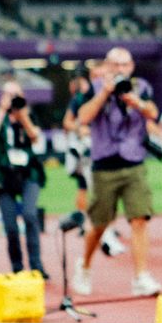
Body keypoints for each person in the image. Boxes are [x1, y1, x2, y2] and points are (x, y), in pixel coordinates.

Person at [72, 47, 162, 298]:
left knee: (140, 218)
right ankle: (85, 266)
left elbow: (154, 113)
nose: (120, 69)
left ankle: (141, 276)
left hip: (134, 162)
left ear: (131, 67)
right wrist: (105, 93)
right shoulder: (96, 86)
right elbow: (83, 117)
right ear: (108, 66)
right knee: (99, 224)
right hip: (105, 164)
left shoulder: (141, 87)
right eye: (115, 65)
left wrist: (137, 102)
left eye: (124, 65)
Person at [0, 79, 46, 278]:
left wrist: (23, 116)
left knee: (30, 215)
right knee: (10, 226)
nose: (13, 99)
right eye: (8, 95)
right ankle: (18, 267)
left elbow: (35, 137)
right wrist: (3, 111)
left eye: (16, 95)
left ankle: (36, 266)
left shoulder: (28, 114)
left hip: (28, 173)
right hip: (4, 175)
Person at [61, 67, 125, 260]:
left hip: (106, 150)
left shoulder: (115, 95)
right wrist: (83, 129)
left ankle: (105, 230)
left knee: (108, 191)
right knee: (89, 189)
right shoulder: (82, 98)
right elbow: (69, 122)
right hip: (88, 151)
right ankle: (96, 229)